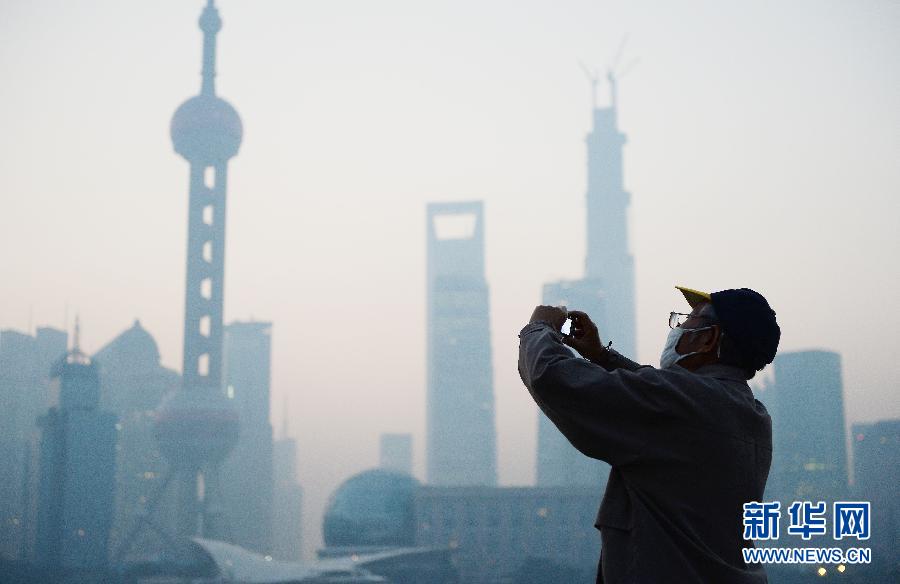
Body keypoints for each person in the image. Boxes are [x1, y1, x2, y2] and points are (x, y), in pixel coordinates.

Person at [518, 286, 780, 583]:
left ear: (709, 338)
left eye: (687, 320)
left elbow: (550, 377)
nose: (677, 327)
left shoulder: (682, 404)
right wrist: (602, 356)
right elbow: (662, 397)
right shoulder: (752, 414)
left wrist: (538, 328)